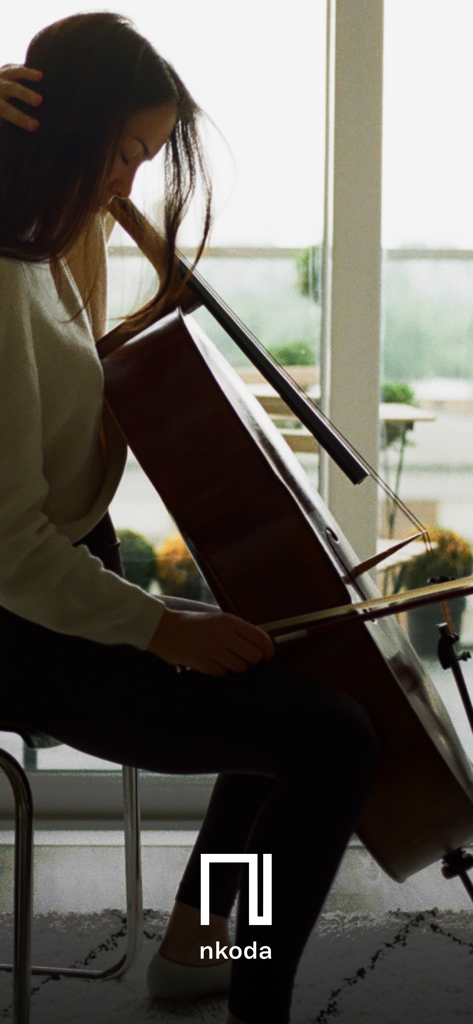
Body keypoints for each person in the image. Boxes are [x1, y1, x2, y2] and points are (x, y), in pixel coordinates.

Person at [0, 16, 378, 1024]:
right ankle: (257, 995)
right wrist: (163, 628)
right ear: (64, 127)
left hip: (71, 592)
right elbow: (10, 553)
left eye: (142, 159)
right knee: (332, 739)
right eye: (121, 151)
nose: (125, 185)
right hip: (21, 629)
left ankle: (198, 945)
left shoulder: (50, 244)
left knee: (286, 668)